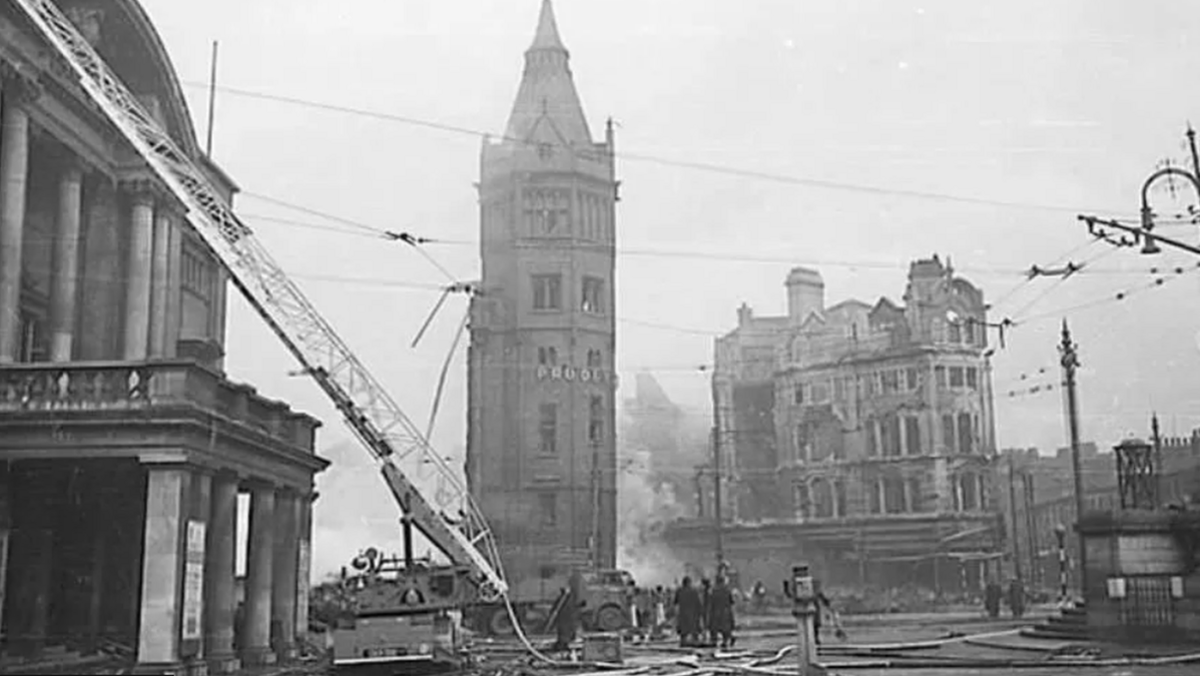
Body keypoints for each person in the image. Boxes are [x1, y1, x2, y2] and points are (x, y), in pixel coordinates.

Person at [709, 576, 737, 649]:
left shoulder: (714, 591)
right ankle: (726, 640)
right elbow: (732, 602)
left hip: (716, 611)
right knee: (725, 628)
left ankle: (714, 642)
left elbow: (711, 602)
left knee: (715, 628)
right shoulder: (727, 590)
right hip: (725, 611)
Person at [673, 577, 702, 647]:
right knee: (694, 630)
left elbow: (675, 603)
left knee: (683, 631)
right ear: (689, 583)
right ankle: (695, 642)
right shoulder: (694, 591)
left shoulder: (679, 591)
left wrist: (676, 615)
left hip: (683, 614)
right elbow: (698, 603)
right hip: (693, 614)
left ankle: (683, 643)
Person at [699, 578, 713, 646]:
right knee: (705, 622)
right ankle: (705, 635)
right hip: (706, 608)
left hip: (707, 608)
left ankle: (706, 636)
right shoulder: (706, 591)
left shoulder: (708, 591)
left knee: (706, 622)